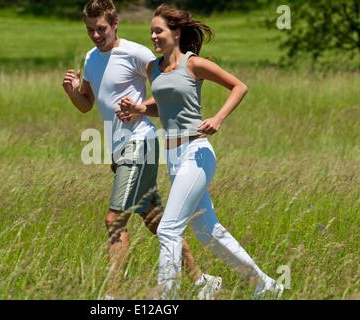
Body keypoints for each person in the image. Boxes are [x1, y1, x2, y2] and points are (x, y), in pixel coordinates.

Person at [117, 3, 284, 299]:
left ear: (177, 33)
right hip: (173, 157)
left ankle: (165, 299)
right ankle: (265, 284)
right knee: (209, 232)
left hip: (197, 152)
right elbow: (165, 106)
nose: (154, 37)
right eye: (151, 32)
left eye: (159, 31)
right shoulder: (154, 69)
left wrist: (218, 118)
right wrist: (140, 108)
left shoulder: (194, 64)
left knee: (168, 229)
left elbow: (239, 86)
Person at [62, 0, 221, 300]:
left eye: (101, 29)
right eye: (90, 30)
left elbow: (169, 93)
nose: (95, 36)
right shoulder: (91, 58)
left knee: (114, 219)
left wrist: (140, 109)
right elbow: (86, 104)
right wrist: (73, 93)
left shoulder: (137, 53)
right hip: (118, 149)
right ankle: (203, 281)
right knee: (156, 221)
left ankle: (110, 296)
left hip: (141, 143)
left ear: (115, 23)